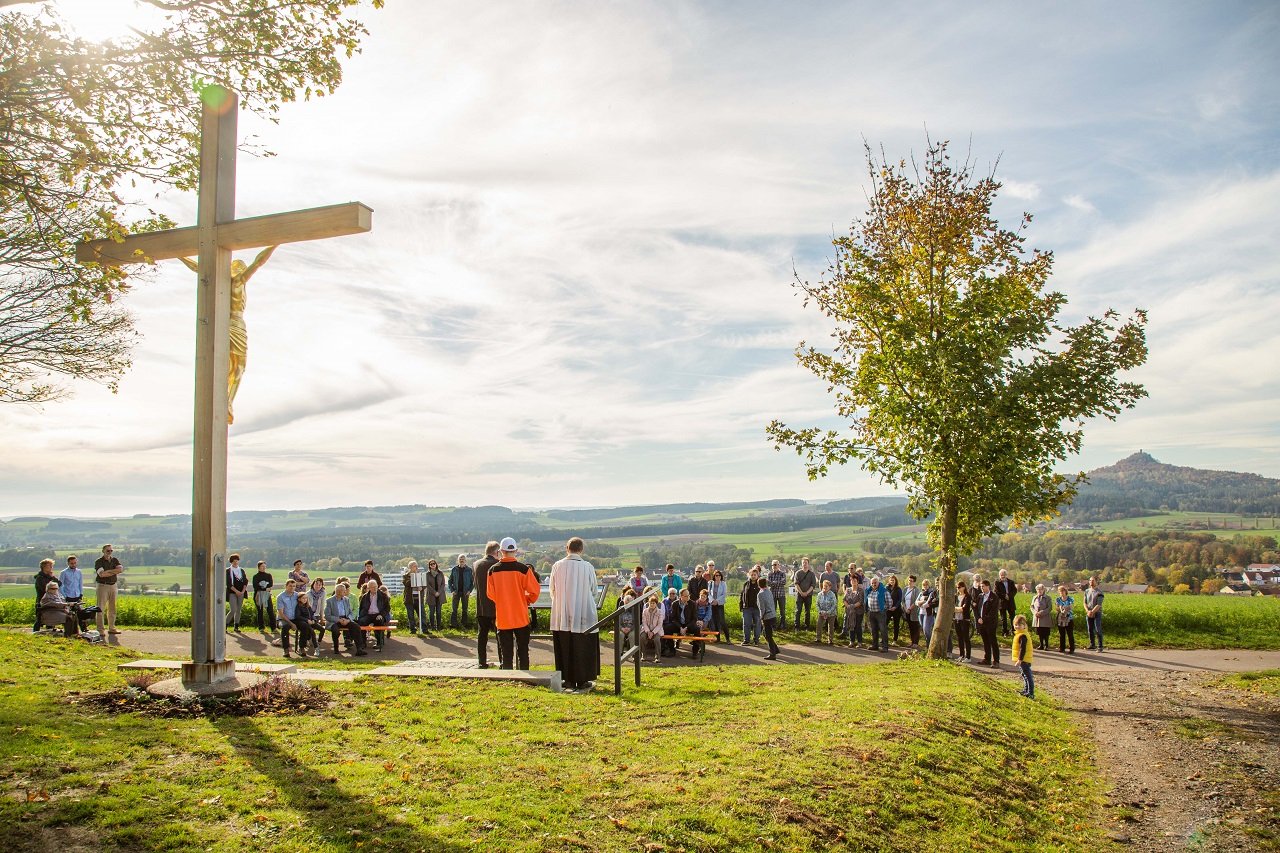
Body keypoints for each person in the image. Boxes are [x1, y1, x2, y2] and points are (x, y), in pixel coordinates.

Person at [178, 245, 277, 424]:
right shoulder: (238, 281)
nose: (240, 269)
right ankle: (227, 400)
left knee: (231, 365)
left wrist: (179, 255)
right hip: (235, 324)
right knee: (237, 366)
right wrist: (276, 243)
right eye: (238, 266)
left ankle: (226, 400)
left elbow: (195, 267)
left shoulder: (220, 281)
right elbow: (258, 262)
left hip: (226, 323)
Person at [549, 537, 601, 692]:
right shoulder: (588, 567)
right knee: (583, 646)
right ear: (581, 549)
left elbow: (552, 590)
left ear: (567, 548)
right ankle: (583, 679)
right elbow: (594, 590)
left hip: (562, 613)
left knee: (565, 646)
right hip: (584, 612)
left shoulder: (557, 566)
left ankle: (568, 679)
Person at [487, 538, 540, 671]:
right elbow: (535, 591)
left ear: (501, 551)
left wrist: (502, 600)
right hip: (521, 616)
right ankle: (525, 676)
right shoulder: (523, 569)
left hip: (503, 617)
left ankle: (508, 677)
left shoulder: (493, 570)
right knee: (523, 652)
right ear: (515, 551)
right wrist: (525, 600)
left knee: (506, 653)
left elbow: (490, 594)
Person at [473, 541, 501, 668]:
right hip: (495, 606)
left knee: (482, 636)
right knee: (500, 636)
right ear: (496, 552)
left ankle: (481, 662)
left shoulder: (476, 564)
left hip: (481, 605)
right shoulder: (497, 565)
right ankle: (503, 661)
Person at [324, 582, 365, 656]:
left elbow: (350, 612)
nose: (343, 592)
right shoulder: (329, 601)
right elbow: (327, 616)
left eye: (343, 591)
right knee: (335, 630)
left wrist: (348, 619)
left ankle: (359, 649)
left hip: (346, 619)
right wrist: (338, 620)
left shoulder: (346, 599)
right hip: (334, 621)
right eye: (339, 591)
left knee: (356, 627)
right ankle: (336, 649)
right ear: (337, 591)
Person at [94, 544, 123, 634]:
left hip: (113, 585)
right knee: (100, 608)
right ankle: (100, 630)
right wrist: (114, 571)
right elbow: (101, 574)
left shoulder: (115, 560)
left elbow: (120, 570)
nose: (109, 552)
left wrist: (108, 572)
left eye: (111, 551)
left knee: (112, 608)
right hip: (102, 586)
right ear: (103, 551)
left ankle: (112, 628)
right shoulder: (98, 561)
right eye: (108, 551)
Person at [358, 578, 391, 651]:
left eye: (375, 586)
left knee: (379, 621)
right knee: (361, 622)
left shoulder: (383, 595)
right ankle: (363, 643)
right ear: (368, 588)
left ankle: (379, 643)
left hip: (378, 614)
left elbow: (387, 608)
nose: (374, 588)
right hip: (368, 615)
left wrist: (381, 615)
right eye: (372, 587)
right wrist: (361, 616)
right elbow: (361, 608)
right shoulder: (365, 596)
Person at [976, 579, 1000, 667]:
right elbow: (976, 608)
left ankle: (996, 660)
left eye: (983, 586)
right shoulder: (980, 596)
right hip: (981, 622)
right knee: (985, 641)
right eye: (981, 587)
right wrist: (978, 618)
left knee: (992, 641)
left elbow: (993, 611)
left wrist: (984, 619)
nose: (982, 588)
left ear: (988, 586)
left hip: (990, 623)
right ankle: (987, 658)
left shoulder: (994, 597)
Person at [757, 577, 780, 659]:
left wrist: (761, 617)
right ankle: (775, 649)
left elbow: (762, 608)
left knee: (768, 635)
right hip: (773, 615)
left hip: (767, 616)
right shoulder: (769, 591)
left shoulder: (760, 594)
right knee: (766, 634)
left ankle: (772, 654)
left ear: (759, 585)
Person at [739, 565, 763, 646]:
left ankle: (756, 640)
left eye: (754, 575)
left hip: (757, 608)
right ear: (749, 575)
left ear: (757, 575)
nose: (753, 576)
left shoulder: (760, 584)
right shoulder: (746, 584)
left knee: (757, 624)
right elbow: (742, 595)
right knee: (746, 624)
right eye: (752, 575)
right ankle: (747, 640)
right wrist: (741, 606)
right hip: (747, 607)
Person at [276, 579, 300, 658]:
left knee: (305, 626)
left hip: (295, 618)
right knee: (285, 628)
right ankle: (286, 649)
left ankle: (302, 647)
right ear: (286, 586)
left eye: (294, 586)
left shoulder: (297, 595)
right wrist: (291, 624)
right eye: (290, 586)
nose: (292, 588)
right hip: (284, 618)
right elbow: (281, 613)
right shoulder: (280, 597)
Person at [1012, 614, 1034, 698]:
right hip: (1023, 659)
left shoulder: (1022, 636)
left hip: (1024, 659)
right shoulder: (1020, 634)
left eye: (1019, 625)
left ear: (1024, 626)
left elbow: (1023, 649)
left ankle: (1030, 692)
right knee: (1024, 674)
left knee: (1027, 675)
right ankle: (1026, 690)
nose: (1017, 626)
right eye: (1016, 625)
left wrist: (1020, 659)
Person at [864, 575, 889, 652]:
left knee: (883, 630)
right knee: (873, 630)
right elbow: (866, 601)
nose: (874, 584)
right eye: (872, 583)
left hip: (880, 613)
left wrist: (884, 609)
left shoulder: (883, 590)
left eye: (875, 583)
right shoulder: (869, 591)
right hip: (871, 612)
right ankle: (875, 645)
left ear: (878, 583)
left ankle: (885, 647)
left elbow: (889, 602)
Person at [449, 554, 474, 629]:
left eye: (463, 559)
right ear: (458, 560)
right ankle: (453, 625)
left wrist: (469, 591)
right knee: (454, 609)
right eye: (460, 559)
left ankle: (464, 625)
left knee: (465, 609)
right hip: (456, 592)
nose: (461, 560)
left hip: (465, 593)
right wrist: (452, 590)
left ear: (465, 560)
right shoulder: (454, 569)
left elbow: (473, 582)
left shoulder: (469, 570)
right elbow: (450, 581)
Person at [32, 559, 57, 633]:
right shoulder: (39, 578)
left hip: (51, 600)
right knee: (39, 619)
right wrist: (51, 580)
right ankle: (35, 633)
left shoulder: (50, 577)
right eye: (50, 566)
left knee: (51, 618)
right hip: (41, 601)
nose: (51, 568)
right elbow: (45, 588)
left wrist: (52, 577)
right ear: (44, 567)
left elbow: (59, 584)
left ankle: (50, 633)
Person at [292, 585, 317, 658]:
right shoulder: (298, 606)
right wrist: (306, 620)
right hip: (299, 621)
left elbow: (312, 614)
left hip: (307, 622)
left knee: (309, 628)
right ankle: (301, 647)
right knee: (306, 627)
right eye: (303, 598)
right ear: (299, 599)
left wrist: (313, 620)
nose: (305, 599)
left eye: (306, 598)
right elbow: (297, 616)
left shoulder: (308, 606)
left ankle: (308, 642)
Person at [225, 554, 249, 632]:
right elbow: (228, 583)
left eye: (237, 561)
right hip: (232, 592)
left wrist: (242, 591)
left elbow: (245, 581)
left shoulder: (241, 570)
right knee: (233, 609)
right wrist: (236, 591)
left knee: (238, 610)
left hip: (241, 593)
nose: (235, 563)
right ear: (231, 562)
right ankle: (225, 625)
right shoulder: (228, 571)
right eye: (234, 561)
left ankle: (236, 626)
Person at [952, 580, 973, 661]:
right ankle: (961, 655)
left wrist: (956, 609)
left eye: (959, 587)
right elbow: (952, 607)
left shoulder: (967, 597)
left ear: (963, 587)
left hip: (964, 620)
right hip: (957, 619)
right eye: (957, 587)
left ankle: (968, 656)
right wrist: (957, 609)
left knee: (966, 638)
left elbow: (964, 609)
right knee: (959, 637)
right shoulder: (956, 597)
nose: (958, 589)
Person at [793, 557, 816, 630]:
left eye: (806, 563)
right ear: (801, 564)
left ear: (808, 564)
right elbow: (796, 584)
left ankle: (807, 627)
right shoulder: (798, 573)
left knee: (807, 612)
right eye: (803, 563)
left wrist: (806, 592)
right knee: (798, 611)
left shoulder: (812, 574)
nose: (804, 564)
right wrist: (801, 593)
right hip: (799, 595)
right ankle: (797, 627)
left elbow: (813, 585)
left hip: (808, 595)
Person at [424, 559, 446, 633]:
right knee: (431, 612)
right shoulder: (427, 574)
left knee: (439, 612)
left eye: (434, 563)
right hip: (431, 596)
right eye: (431, 564)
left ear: (436, 564)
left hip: (440, 596)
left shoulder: (440, 573)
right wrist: (434, 592)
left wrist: (438, 592)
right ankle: (432, 627)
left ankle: (439, 627)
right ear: (429, 566)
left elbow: (443, 584)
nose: (433, 565)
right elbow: (427, 585)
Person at [843, 572, 864, 648]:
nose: (853, 582)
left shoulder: (861, 590)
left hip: (858, 611)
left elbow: (861, 601)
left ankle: (859, 642)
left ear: (857, 581)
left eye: (855, 581)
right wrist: (848, 606)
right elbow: (844, 600)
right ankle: (851, 642)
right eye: (852, 580)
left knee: (858, 626)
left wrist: (852, 606)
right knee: (851, 625)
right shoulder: (848, 590)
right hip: (850, 612)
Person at [640, 595, 664, 663]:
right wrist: (648, 631)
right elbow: (644, 622)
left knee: (657, 639)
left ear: (656, 604)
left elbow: (659, 624)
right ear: (648, 603)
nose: (652, 604)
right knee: (642, 637)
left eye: (653, 603)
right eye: (651, 603)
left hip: (656, 630)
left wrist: (653, 632)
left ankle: (658, 657)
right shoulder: (645, 611)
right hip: (646, 629)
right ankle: (643, 655)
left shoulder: (659, 612)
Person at [251, 560, 274, 632]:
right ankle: (261, 628)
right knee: (260, 611)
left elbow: (270, 584)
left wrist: (265, 588)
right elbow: (255, 586)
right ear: (258, 567)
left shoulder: (268, 575)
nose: (264, 568)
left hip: (267, 595)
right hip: (258, 595)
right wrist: (265, 588)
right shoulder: (255, 576)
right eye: (262, 566)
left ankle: (273, 628)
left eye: (265, 566)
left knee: (270, 611)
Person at [708, 568, 730, 642]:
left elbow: (724, 594)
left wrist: (717, 601)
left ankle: (727, 638)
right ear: (714, 576)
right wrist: (712, 600)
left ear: (721, 576)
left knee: (722, 621)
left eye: (719, 575)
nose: (718, 577)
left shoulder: (723, 584)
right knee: (715, 620)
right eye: (716, 575)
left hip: (720, 604)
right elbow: (708, 593)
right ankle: (718, 638)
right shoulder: (710, 583)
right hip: (712, 604)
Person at [401, 561, 422, 634]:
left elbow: (424, 583)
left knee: (421, 614)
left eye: (416, 566)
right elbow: (406, 583)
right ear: (410, 567)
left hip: (418, 597)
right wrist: (413, 577)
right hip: (409, 599)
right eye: (414, 566)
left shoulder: (419, 575)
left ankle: (423, 628)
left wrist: (421, 587)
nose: (416, 568)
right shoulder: (405, 576)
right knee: (410, 615)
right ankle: (412, 629)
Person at [995, 569, 1018, 636]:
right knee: (1003, 619)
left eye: (1004, 575)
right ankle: (1005, 632)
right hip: (1002, 603)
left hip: (1010, 602)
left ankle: (1013, 630)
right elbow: (996, 592)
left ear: (1006, 575)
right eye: (1001, 575)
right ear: (999, 575)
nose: (1003, 576)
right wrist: (1004, 596)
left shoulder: (1011, 582)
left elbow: (1014, 590)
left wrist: (1009, 596)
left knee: (1013, 617)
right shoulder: (997, 582)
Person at [1084, 577, 1105, 652]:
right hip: (1088, 613)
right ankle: (1092, 644)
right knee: (1090, 629)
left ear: (1096, 582)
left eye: (1093, 580)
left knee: (1097, 629)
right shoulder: (1086, 591)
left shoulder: (1099, 592)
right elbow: (1085, 602)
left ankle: (1100, 646)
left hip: (1097, 613)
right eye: (1090, 580)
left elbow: (1099, 604)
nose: (1091, 582)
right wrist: (1087, 611)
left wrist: (1092, 612)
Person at [1030, 584, 1053, 651]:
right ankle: (1041, 645)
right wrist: (1035, 613)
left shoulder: (1048, 598)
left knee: (1045, 632)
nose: (1039, 591)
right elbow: (1031, 607)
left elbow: (1049, 608)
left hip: (1045, 617)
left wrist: (1041, 612)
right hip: (1037, 617)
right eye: (1038, 589)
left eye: (1041, 589)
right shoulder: (1034, 597)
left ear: (1043, 590)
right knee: (1039, 632)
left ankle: (1046, 645)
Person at [767, 560, 789, 628]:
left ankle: (782, 625)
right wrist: (777, 582)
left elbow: (784, 582)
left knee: (782, 611)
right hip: (772, 595)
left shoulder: (782, 573)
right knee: (773, 611)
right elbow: (768, 583)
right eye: (773, 565)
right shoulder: (769, 574)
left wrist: (773, 583)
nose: (774, 566)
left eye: (776, 564)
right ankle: (773, 625)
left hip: (781, 595)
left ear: (779, 565)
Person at [1055, 584, 1076, 654]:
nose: (1061, 593)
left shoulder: (1070, 598)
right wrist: (1061, 609)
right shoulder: (1058, 599)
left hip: (1069, 618)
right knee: (1062, 634)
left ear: (1065, 591)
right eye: (1060, 591)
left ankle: (1072, 648)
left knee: (1070, 634)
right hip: (1061, 618)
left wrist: (1064, 608)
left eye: (1062, 591)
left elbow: (1071, 606)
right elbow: (1057, 608)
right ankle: (1062, 648)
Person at [815, 579, 838, 644]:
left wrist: (827, 612)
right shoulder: (819, 594)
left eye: (826, 586)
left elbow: (834, 605)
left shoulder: (832, 594)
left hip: (831, 613)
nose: (824, 587)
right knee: (819, 625)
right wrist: (820, 611)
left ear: (830, 587)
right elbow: (817, 604)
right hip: (822, 613)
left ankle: (830, 640)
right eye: (824, 586)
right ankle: (818, 638)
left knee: (830, 626)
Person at [902, 575, 921, 648]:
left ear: (914, 582)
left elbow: (916, 601)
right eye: (909, 580)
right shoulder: (905, 589)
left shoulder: (916, 590)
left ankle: (915, 642)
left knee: (915, 627)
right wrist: (905, 608)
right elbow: (902, 600)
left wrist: (910, 608)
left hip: (914, 612)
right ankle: (912, 641)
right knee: (910, 627)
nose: (910, 582)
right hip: (906, 611)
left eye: (911, 581)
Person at [919, 578, 939, 646]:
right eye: (924, 585)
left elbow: (929, 602)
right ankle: (928, 644)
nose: (925, 586)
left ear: (929, 585)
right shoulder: (921, 593)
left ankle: (931, 644)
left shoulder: (931, 592)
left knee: (927, 630)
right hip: (921, 613)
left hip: (928, 613)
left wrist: (922, 603)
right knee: (924, 630)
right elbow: (916, 602)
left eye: (926, 584)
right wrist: (921, 602)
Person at [885, 574, 903, 644]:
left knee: (896, 625)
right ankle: (884, 638)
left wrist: (895, 607)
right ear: (889, 581)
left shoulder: (898, 589)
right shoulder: (886, 588)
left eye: (893, 580)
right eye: (891, 580)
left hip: (896, 609)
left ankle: (894, 640)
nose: (892, 581)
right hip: (888, 609)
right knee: (885, 623)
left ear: (895, 581)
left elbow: (899, 599)